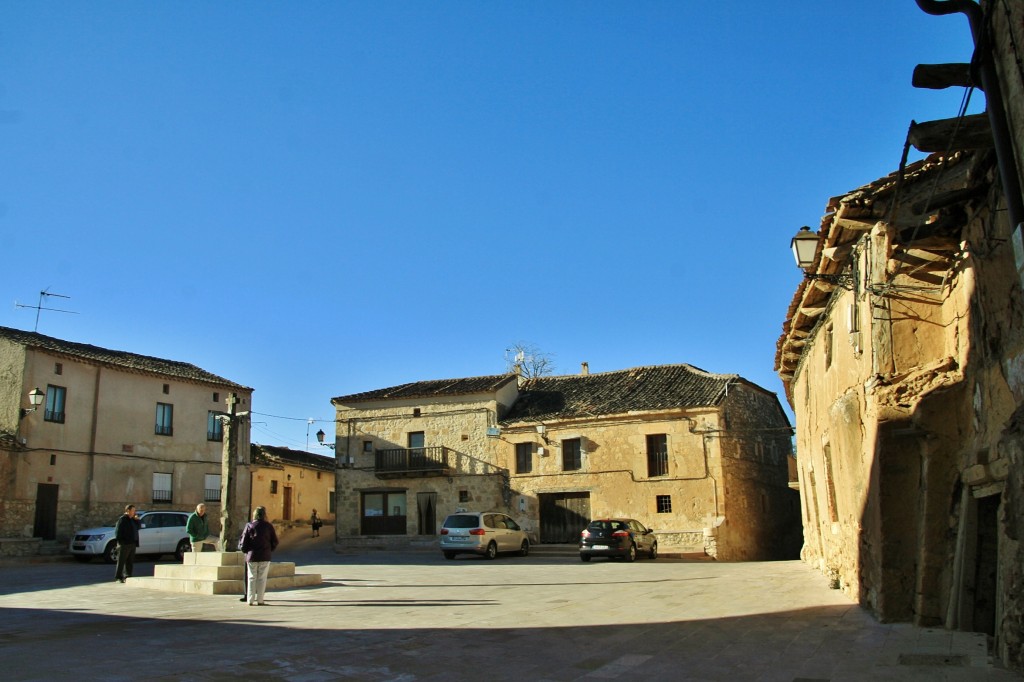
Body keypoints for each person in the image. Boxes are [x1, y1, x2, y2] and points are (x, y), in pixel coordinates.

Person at [238, 506, 278, 606]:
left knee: (251, 577)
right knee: (262, 578)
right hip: (265, 555)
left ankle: (250, 599)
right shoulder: (268, 526)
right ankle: (260, 600)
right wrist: (269, 550)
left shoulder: (249, 525)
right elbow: (275, 541)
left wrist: (246, 551)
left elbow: (243, 541)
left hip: (252, 555)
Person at [114, 504, 140, 583]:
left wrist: (137, 520)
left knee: (130, 561)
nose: (134, 512)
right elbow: (118, 532)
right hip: (124, 544)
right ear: (128, 511)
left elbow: (138, 527)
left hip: (132, 543)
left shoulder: (133, 519)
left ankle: (128, 575)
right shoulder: (122, 519)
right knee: (121, 561)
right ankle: (119, 576)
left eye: (134, 511)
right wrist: (121, 542)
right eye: (133, 510)